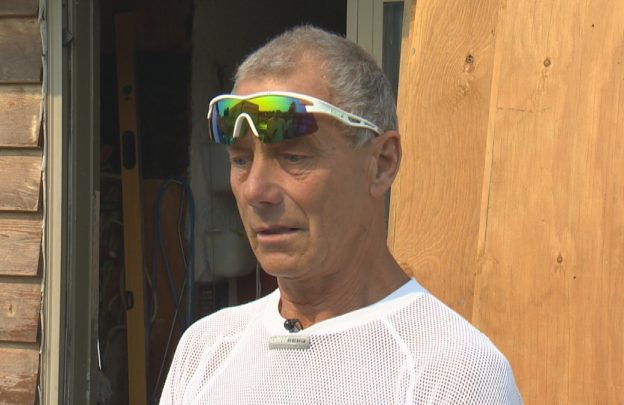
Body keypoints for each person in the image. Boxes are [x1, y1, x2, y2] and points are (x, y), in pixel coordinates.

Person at [161, 25, 521, 404]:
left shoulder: (451, 374)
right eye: (240, 160)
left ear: (382, 164)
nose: (255, 191)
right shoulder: (205, 350)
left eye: (294, 157)